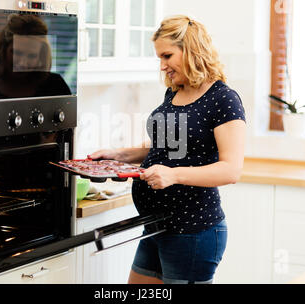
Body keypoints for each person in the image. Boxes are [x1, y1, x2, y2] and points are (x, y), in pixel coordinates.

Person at [89, 15, 246, 284]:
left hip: (193, 231)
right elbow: (165, 147)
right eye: (159, 58)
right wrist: (120, 155)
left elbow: (231, 170)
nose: (162, 66)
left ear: (192, 50)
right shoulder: (174, 93)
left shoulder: (223, 99)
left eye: (167, 56)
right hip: (156, 224)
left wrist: (173, 175)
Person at [0, 13, 71, 99]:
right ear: (3, 49)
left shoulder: (55, 85)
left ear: (41, 57)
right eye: (17, 53)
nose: (23, 63)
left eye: (32, 56)